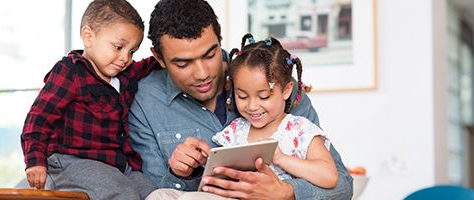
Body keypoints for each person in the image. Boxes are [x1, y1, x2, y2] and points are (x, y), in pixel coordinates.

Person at [129, 0, 353, 199]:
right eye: (183, 64)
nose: (202, 73)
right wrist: (181, 173)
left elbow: (342, 185)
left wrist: (287, 192)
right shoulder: (146, 102)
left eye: (210, 55)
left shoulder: (274, 83)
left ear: (220, 40)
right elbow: (151, 192)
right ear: (158, 57)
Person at [20, 0, 160, 199]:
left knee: (152, 192)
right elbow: (39, 118)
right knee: (122, 192)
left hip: (117, 163)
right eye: (118, 47)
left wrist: (171, 55)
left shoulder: (125, 73)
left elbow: (148, 64)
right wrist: (35, 160)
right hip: (71, 161)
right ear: (88, 36)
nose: (125, 58)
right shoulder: (70, 71)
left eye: (132, 51)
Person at [209, 34, 338, 191]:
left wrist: (281, 159)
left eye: (263, 96)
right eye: (242, 96)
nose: (252, 105)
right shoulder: (235, 131)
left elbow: (329, 176)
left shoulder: (299, 130)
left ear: (286, 90)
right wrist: (206, 159)